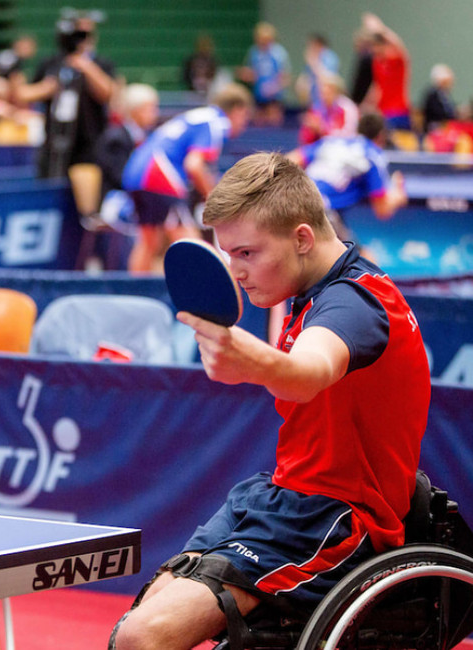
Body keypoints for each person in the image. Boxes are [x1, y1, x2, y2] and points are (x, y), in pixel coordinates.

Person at [110, 152, 430, 650]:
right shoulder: (307, 290)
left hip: (336, 520)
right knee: (137, 620)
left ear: (302, 238)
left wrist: (251, 360)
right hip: (277, 497)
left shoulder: (355, 303)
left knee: (142, 637)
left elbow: (309, 373)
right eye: (229, 255)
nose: (236, 271)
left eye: (247, 253)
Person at [121, 83, 254, 273]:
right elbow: (194, 165)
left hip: (135, 172)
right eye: (245, 116)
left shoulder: (200, 116)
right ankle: (204, 288)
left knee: (149, 241)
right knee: (190, 241)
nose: (244, 123)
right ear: (237, 110)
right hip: (158, 173)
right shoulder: (215, 123)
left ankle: (135, 288)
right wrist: (214, 197)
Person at [14, 10, 116, 224]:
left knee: (87, 208)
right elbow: (22, 95)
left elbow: (108, 93)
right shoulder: (51, 63)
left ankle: (88, 225)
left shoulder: (100, 64)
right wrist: (45, 88)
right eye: (78, 33)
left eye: (87, 34)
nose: (82, 39)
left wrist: (86, 66)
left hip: (89, 145)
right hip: (53, 144)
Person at [287, 112, 407, 243]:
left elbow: (290, 160)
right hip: (320, 209)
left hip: (296, 199)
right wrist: (398, 194)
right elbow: (382, 210)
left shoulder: (332, 141)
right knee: (358, 255)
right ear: (381, 136)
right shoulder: (373, 155)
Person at [86, 83, 159, 270]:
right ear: (136, 110)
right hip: (115, 201)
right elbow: (121, 178)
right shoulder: (115, 138)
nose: (155, 113)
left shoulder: (147, 137)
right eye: (151, 108)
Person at [361, 12, 411, 131]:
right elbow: (376, 88)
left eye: (377, 46)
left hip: (398, 111)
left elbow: (399, 45)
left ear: (384, 46)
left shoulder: (397, 60)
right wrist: (365, 105)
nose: (375, 50)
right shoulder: (376, 63)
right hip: (383, 112)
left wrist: (381, 29)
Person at [236, 22, 290, 127]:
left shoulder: (279, 54)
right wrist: (246, 75)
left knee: (274, 124)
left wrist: (274, 88)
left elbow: (285, 78)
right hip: (258, 98)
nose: (263, 42)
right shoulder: (254, 53)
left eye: (266, 39)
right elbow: (252, 74)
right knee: (259, 125)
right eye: (260, 39)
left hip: (274, 100)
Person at [297, 73, 358, 145]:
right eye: (322, 93)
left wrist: (322, 129)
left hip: (342, 146)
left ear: (336, 92)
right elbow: (306, 138)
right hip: (320, 147)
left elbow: (348, 136)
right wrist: (311, 129)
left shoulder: (347, 108)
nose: (324, 97)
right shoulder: (318, 108)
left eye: (328, 93)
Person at [422, 63, 457, 134]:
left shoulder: (444, 95)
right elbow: (437, 113)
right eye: (447, 82)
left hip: (446, 126)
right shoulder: (432, 95)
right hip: (434, 128)